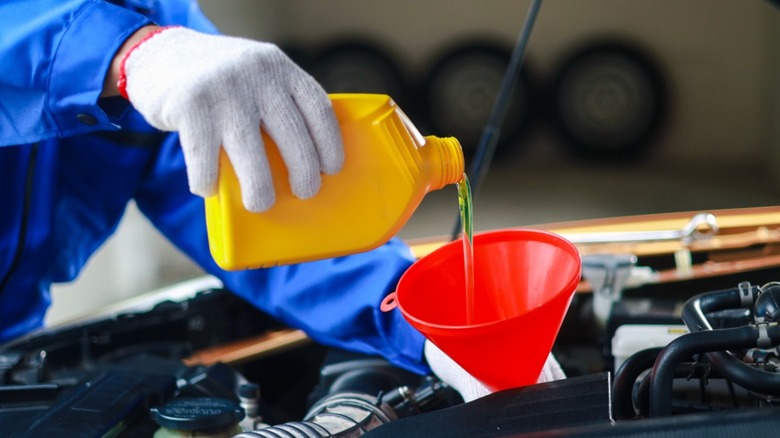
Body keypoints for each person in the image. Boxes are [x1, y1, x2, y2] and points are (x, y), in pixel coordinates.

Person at [1, 0, 563, 403]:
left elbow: (268, 219)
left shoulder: (157, 19)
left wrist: (418, 321)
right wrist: (121, 52)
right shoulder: (156, 47)